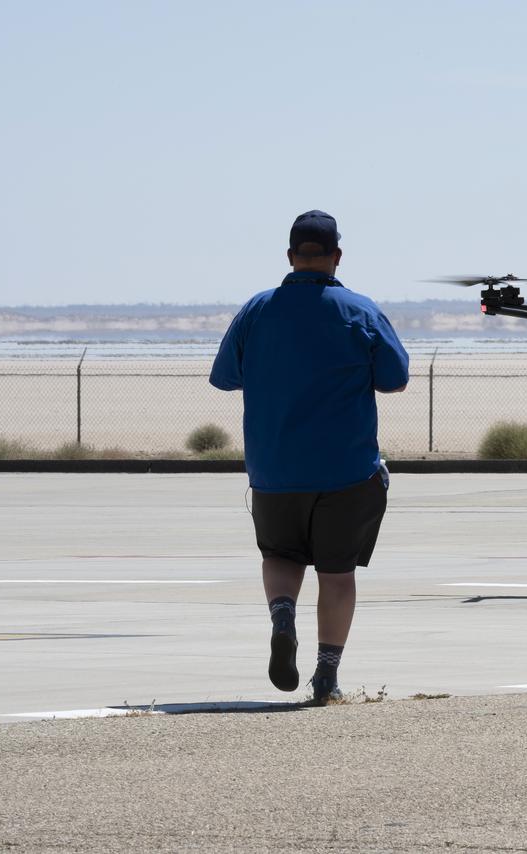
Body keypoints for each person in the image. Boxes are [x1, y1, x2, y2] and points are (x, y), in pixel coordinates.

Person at [209, 210, 409, 704]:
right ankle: (326, 675)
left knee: (280, 555)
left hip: (275, 470)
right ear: (336, 257)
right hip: (347, 471)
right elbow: (395, 377)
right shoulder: (359, 311)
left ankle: (282, 614)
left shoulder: (258, 309)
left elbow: (224, 377)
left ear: (291, 256)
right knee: (337, 574)